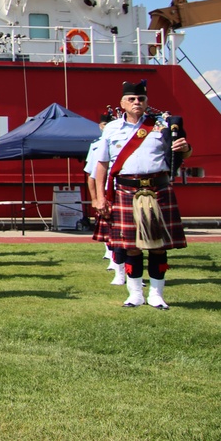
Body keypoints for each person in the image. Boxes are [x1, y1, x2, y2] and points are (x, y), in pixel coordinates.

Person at [94, 80, 191, 309]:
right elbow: (102, 164)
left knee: (158, 245)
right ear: (122, 103)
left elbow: (182, 153)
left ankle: (157, 295)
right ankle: (135, 294)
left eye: (141, 99)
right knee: (131, 246)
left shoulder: (162, 125)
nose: (137, 102)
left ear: (147, 102)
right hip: (126, 190)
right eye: (132, 99)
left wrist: (185, 149)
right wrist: (99, 197)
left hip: (158, 189)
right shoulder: (111, 129)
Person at [85, 110, 121, 283]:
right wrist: (96, 197)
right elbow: (93, 173)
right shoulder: (97, 145)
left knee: (129, 235)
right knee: (114, 230)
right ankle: (116, 263)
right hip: (109, 190)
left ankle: (130, 270)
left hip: (125, 188)